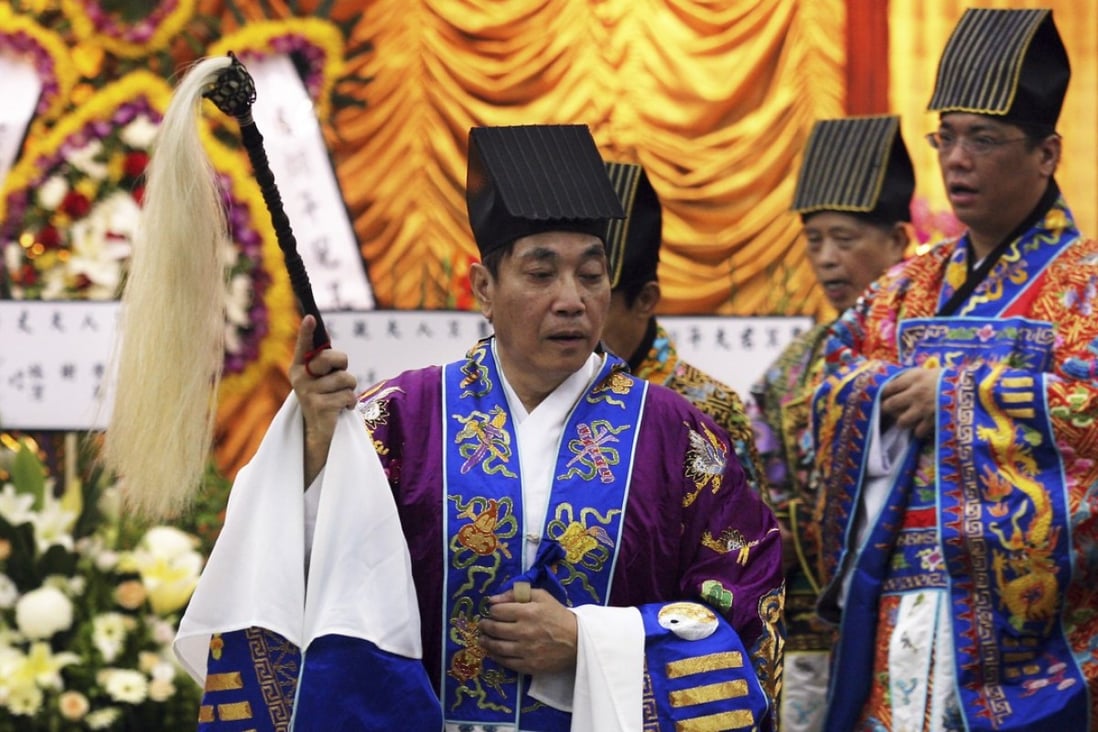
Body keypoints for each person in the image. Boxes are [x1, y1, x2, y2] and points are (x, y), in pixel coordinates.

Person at [176, 124, 783, 730]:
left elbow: (745, 618)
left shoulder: (678, 439)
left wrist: (590, 642)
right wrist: (311, 444)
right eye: (541, 274)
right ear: (483, 289)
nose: (571, 299)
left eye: (591, 275)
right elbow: (302, 581)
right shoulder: (400, 420)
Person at [811, 9, 1098, 730]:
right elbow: (832, 374)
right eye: (947, 137)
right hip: (898, 602)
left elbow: (1088, 411)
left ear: (1047, 152)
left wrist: (958, 396)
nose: (957, 159)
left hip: (1037, 641)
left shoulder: (1084, 284)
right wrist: (879, 391)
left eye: (985, 139)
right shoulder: (907, 285)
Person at [748, 115, 913, 732]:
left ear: (899, 240)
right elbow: (762, 484)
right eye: (813, 239)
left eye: (843, 238)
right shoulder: (792, 371)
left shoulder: (932, 349)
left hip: (924, 614)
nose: (825, 258)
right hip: (818, 632)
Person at [599, 161, 768, 500]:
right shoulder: (542, 394)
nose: (574, 310)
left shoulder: (709, 413)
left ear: (645, 300)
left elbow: (746, 546)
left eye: (596, 292)